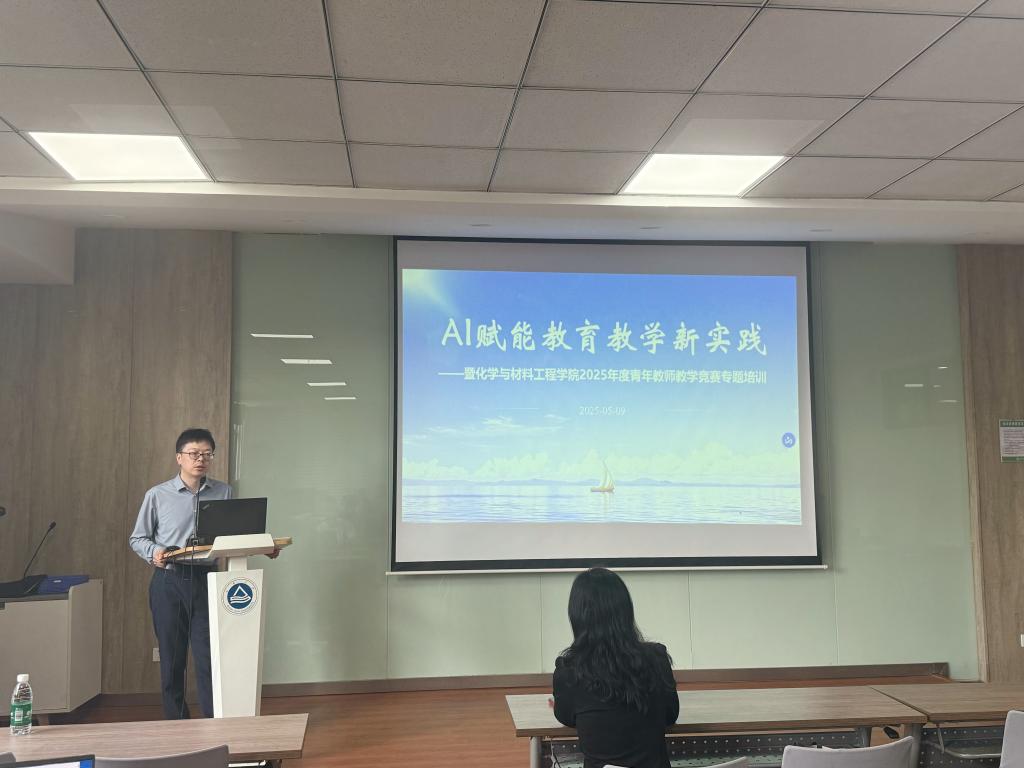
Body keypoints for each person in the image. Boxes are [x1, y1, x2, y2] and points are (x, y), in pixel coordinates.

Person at [129, 427, 231, 719]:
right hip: (170, 580)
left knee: (209, 658)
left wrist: (261, 545)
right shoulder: (158, 495)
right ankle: (177, 725)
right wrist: (155, 552)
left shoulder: (224, 492)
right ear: (179, 457)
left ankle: (215, 724)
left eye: (207, 454)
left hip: (207, 579)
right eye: (194, 453)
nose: (201, 459)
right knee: (172, 660)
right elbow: (138, 538)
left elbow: (234, 533)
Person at [551, 567, 679, 768]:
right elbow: (670, 714)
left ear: (577, 616)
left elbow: (565, 717)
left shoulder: (568, 671)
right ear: (626, 611)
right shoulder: (657, 658)